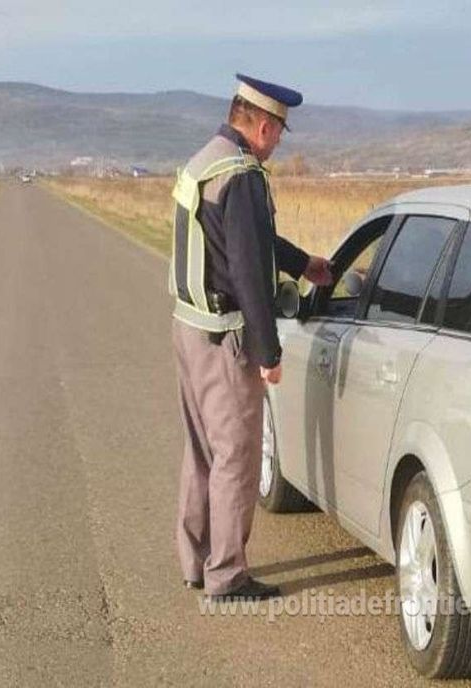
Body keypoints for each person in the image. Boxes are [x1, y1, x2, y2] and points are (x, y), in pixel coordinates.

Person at [169, 73, 332, 601]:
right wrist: (269, 352)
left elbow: (249, 239)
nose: (280, 141)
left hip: (190, 328)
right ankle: (227, 576)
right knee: (237, 458)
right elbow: (245, 268)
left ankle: (196, 561)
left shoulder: (205, 161)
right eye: (280, 131)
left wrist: (303, 262)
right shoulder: (242, 175)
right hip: (226, 339)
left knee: (201, 452)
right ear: (262, 125)